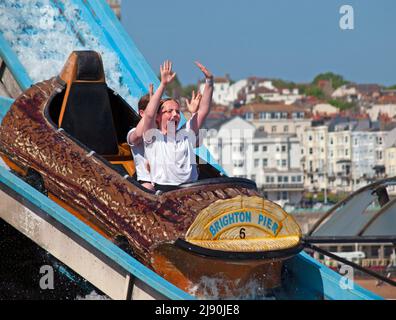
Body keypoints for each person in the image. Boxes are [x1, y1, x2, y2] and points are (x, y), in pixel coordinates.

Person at [128, 60, 213, 192]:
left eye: (178, 112)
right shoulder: (153, 137)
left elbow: (203, 111)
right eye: (169, 111)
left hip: (189, 191)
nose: (175, 115)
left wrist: (209, 82)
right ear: (158, 116)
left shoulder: (185, 135)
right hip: (163, 190)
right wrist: (163, 85)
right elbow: (149, 116)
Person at [126, 84, 155, 190]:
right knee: (149, 188)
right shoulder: (133, 132)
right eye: (153, 109)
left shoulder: (164, 131)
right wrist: (151, 110)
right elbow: (137, 136)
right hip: (147, 182)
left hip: (166, 181)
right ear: (142, 113)